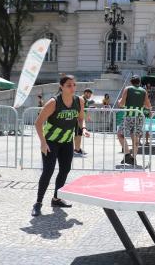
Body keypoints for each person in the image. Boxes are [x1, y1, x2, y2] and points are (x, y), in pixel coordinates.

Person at [31, 75, 90, 217]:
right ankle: (38, 203)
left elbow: (80, 118)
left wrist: (83, 128)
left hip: (67, 141)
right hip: (51, 142)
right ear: (61, 87)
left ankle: (56, 199)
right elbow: (38, 123)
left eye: (74, 85)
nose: (72, 88)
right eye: (69, 85)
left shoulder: (79, 101)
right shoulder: (53, 102)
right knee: (48, 171)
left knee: (65, 170)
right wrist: (43, 143)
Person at [117, 75, 152, 166]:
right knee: (135, 138)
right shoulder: (144, 91)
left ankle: (127, 154)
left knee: (120, 134)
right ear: (139, 82)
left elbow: (121, 104)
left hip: (129, 115)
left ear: (131, 82)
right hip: (139, 117)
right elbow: (148, 106)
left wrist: (120, 101)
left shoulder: (128, 89)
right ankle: (134, 158)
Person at [74, 88, 93, 157]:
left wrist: (88, 116)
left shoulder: (86, 100)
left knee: (79, 134)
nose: (89, 95)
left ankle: (77, 148)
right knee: (78, 134)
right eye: (88, 94)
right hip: (78, 119)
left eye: (90, 94)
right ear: (85, 93)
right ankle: (76, 149)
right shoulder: (81, 99)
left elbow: (85, 110)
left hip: (81, 119)